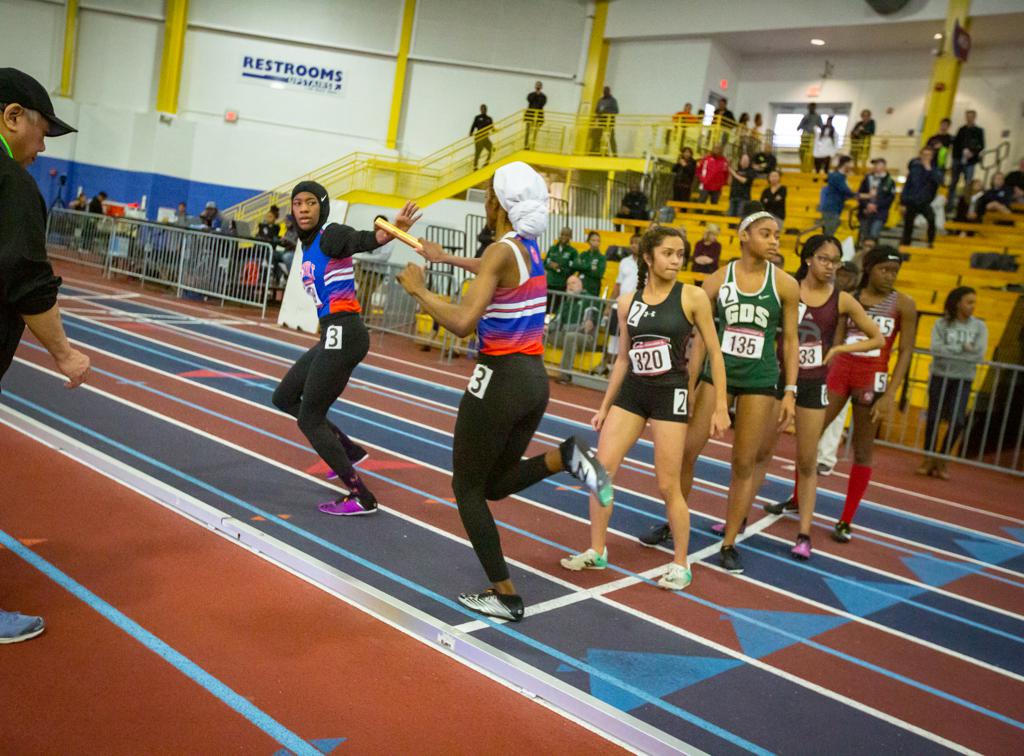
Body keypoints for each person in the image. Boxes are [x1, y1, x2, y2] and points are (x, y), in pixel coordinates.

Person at [396, 162, 612, 621]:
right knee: (493, 484)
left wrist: (419, 289)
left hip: (498, 380)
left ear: (496, 203)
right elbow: (496, 270)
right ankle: (565, 456)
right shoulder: (528, 247)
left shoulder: (501, 249)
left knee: (466, 488)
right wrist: (448, 259)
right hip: (534, 381)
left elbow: (460, 323)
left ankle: (505, 594)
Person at [560, 227, 730, 588]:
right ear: (649, 258)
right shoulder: (628, 301)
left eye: (680, 254)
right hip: (633, 393)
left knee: (668, 485)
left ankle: (681, 564)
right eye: (668, 253)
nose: (676, 261)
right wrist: (605, 406)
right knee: (601, 472)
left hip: (670, 393)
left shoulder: (693, 297)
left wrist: (720, 407)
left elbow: (715, 352)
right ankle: (597, 550)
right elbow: (622, 359)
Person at [640, 211, 800, 574]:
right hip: (717, 376)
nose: (774, 240)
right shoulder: (717, 280)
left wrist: (789, 391)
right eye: (766, 233)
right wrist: (691, 383)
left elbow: (790, 341)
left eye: (777, 234)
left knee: (744, 462)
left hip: (760, 378)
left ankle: (729, 541)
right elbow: (695, 333)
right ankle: (672, 523)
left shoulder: (786, 285)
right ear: (745, 236)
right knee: (686, 452)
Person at [1, 67, 91, 643]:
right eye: (41, 130)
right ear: (12, 117)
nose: (42, 146)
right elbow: (25, 278)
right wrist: (64, 354)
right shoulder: (10, 184)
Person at [271, 181, 421, 515]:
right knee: (284, 397)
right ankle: (349, 451)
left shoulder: (330, 235)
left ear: (322, 206)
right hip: (333, 334)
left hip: (345, 333)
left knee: (310, 418)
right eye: (298, 203)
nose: (304, 209)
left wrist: (391, 230)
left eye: (311, 202)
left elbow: (365, 240)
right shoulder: (307, 244)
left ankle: (362, 497)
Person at [754, 236, 883, 560]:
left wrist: (839, 348)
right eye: (825, 259)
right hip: (778, 380)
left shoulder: (841, 300)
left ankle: (804, 534)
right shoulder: (787, 288)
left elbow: (876, 337)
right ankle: (737, 519)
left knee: (807, 460)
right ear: (809, 259)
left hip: (813, 384)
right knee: (760, 452)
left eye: (836, 261)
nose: (831, 266)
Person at [820, 246, 917, 542]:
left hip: (872, 379)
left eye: (895, 272)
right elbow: (836, 340)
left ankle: (846, 519)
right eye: (884, 270)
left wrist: (890, 394)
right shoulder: (850, 299)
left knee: (863, 450)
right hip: (840, 372)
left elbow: (906, 352)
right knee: (811, 434)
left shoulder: (903, 304)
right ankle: (798, 497)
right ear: (870, 269)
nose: (890, 276)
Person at [918, 287, 986, 479]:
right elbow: (936, 349)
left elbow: (979, 354)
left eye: (974, 302)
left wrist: (955, 350)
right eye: (969, 302)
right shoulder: (941, 324)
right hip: (940, 375)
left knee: (957, 420)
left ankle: (942, 458)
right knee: (933, 418)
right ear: (958, 303)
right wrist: (963, 348)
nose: (972, 306)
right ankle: (928, 457)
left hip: (964, 379)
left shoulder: (980, 327)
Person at [815, 260, 860, 476]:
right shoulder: (826, 294)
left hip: (845, 361)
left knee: (838, 412)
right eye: (841, 275)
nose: (844, 279)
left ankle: (826, 457)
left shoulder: (857, 302)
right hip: (819, 356)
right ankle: (811, 451)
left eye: (848, 276)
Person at [549, 274, 600, 384]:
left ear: (581, 285)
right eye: (568, 284)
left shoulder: (590, 300)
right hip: (566, 334)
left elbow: (587, 327)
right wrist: (547, 327)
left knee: (571, 336)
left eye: (573, 283)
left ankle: (565, 375)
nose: (569, 286)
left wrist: (564, 328)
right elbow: (556, 322)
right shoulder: (566, 301)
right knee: (539, 332)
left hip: (586, 338)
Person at [900, 146, 943, 247]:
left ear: (932, 156)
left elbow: (939, 181)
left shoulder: (935, 169)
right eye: (924, 155)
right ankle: (906, 246)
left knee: (931, 220)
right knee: (908, 226)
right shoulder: (915, 168)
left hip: (925, 202)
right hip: (912, 201)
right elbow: (907, 185)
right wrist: (902, 202)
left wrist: (928, 168)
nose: (925, 157)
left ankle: (930, 242)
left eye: (928, 155)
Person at [947, 110, 984, 212]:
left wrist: (972, 153)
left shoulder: (978, 131)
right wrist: (955, 158)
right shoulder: (961, 130)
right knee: (953, 182)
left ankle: (965, 206)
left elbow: (981, 145)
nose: (969, 118)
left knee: (968, 184)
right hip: (958, 159)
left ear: (974, 117)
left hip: (970, 161)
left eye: (971, 116)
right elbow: (956, 144)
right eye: (967, 116)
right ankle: (949, 205)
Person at [857, 158, 896, 243]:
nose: (876, 167)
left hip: (880, 212)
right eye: (875, 165)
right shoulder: (867, 178)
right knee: (864, 234)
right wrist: (867, 205)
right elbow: (860, 194)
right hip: (865, 211)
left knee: (874, 234)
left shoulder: (889, 181)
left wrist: (877, 205)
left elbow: (890, 198)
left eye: (878, 165)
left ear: (884, 167)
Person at [819, 155, 856, 237]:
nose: (852, 166)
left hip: (836, 207)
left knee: (832, 228)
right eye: (850, 164)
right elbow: (846, 191)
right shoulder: (836, 176)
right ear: (845, 164)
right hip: (831, 207)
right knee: (829, 233)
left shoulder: (841, 177)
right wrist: (862, 195)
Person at [571, 231, 606, 298]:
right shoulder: (583, 254)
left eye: (598, 241)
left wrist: (582, 267)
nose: (596, 243)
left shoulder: (601, 257)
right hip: (580, 287)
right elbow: (575, 265)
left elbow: (598, 273)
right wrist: (590, 266)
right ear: (588, 241)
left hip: (593, 289)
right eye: (593, 240)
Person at [544, 226, 576, 295]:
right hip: (550, 283)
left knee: (559, 305)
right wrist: (550, 265)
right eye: (562, 234)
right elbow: (545, 263)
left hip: (562, 285)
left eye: (566, 235)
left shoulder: (573, 251)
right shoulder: (552, 248)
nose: (563, 237)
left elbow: (572, 269)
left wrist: (559, 268)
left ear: (570, 237)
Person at [727, 153, 756, 218]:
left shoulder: (751, 171)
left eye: (746, 160)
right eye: (743, 160)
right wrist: (730, 173)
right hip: (733, 197)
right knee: (730, 216)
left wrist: (734, 173)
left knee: (740, 217)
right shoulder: (737, 170)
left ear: (749, 162)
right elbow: (729, 183)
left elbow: (745, 181)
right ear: (740, 161)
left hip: (743, 198)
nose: (744, 162)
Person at [797, 103, 823, 172]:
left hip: (812, 136)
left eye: (813, 107)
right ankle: (803, 164)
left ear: (815, 108)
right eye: (810, 107)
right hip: (805, 135)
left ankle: (810, 167)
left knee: (812, 152)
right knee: (802, 150)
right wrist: (802, 126)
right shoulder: (806, 116)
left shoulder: (818, 116)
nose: (811, 109)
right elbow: (799, 126)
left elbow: (821, 126)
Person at [595, 86, 619, 156]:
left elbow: (616, 111)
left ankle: (614, 154)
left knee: (611, 138)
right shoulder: (600, 100)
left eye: (606, 91)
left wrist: (605, 111)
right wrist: (599, 113)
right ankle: (599, 153)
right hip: (601, 122)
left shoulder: (613, 101)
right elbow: (596, 110)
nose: (605, 93)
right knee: (599, 137)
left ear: (609, 92)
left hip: (609, 122)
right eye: (604, 92)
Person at [470, 104, 494, 171]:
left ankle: (486, 162)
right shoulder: (477, 117)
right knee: (478, 151)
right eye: (482, 109)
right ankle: (475, 166)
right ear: (480, 110)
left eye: (484, 109)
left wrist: (495, 130)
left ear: (486, 110)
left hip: (485, 136)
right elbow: (473, 125)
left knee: (490, 148)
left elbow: (492, 127)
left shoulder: (489, 119)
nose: (483, 110)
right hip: (479, 136)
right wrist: (471, 132)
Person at [524, 80, 546, 148]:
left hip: (538, 116)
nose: (538, 86)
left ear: (541, 87)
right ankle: (526, 145)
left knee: (535, 131)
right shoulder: (531, 94)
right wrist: (536, 94)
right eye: (537, 85)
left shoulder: (543, 96)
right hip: (530, 115)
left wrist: (538, 95)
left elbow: (541, 104)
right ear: (535, 86)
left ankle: (533, 145)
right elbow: (529, 100)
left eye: (539, 85)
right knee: (528, 131)